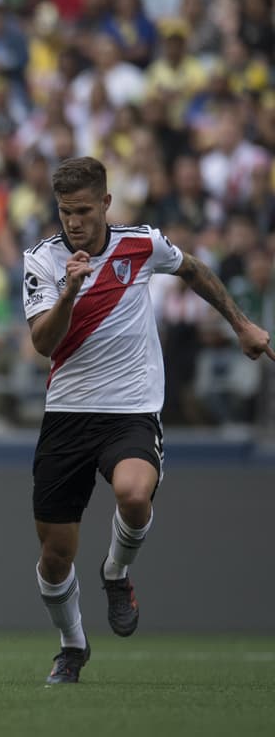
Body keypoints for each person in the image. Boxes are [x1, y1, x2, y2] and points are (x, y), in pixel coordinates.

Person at [21, 156, 275, 685]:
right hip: (67, 413)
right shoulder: (42, 261)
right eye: (66, 212)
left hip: (131, 407)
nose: (75, 222)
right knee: (54, 557)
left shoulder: (141, 244)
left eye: (85, 211)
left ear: (106, 203)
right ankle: (72, 646)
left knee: (135, 494)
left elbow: (195, 271)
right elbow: (43, 342)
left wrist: (242, 325)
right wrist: (70, 290)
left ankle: (116, 571)